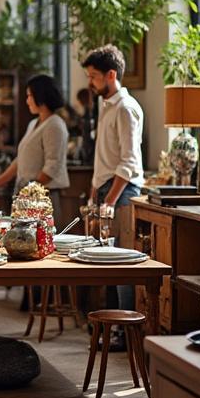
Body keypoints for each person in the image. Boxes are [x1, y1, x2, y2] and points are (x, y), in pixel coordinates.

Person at [84, 44, 144, 314]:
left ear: (111, 75)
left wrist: (107, 201)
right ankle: (108, 323)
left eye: (93, 76)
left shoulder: (125, 108)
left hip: (122, 192)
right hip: (104, 190)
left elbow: (128, 162)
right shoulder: (104, 103)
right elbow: (103, 157)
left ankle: (123, 327)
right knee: (104, 262)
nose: (90, 82)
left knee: (121, 264)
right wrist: (92, 193)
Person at [0, 74, 71, 221]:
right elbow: (20, 161)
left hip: (43, 198)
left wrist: (30, 191)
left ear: (40, 97)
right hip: (26, 195)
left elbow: (52, 167)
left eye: (29, 96)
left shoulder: (55, 125)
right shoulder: (34, 124)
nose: (27, 101)